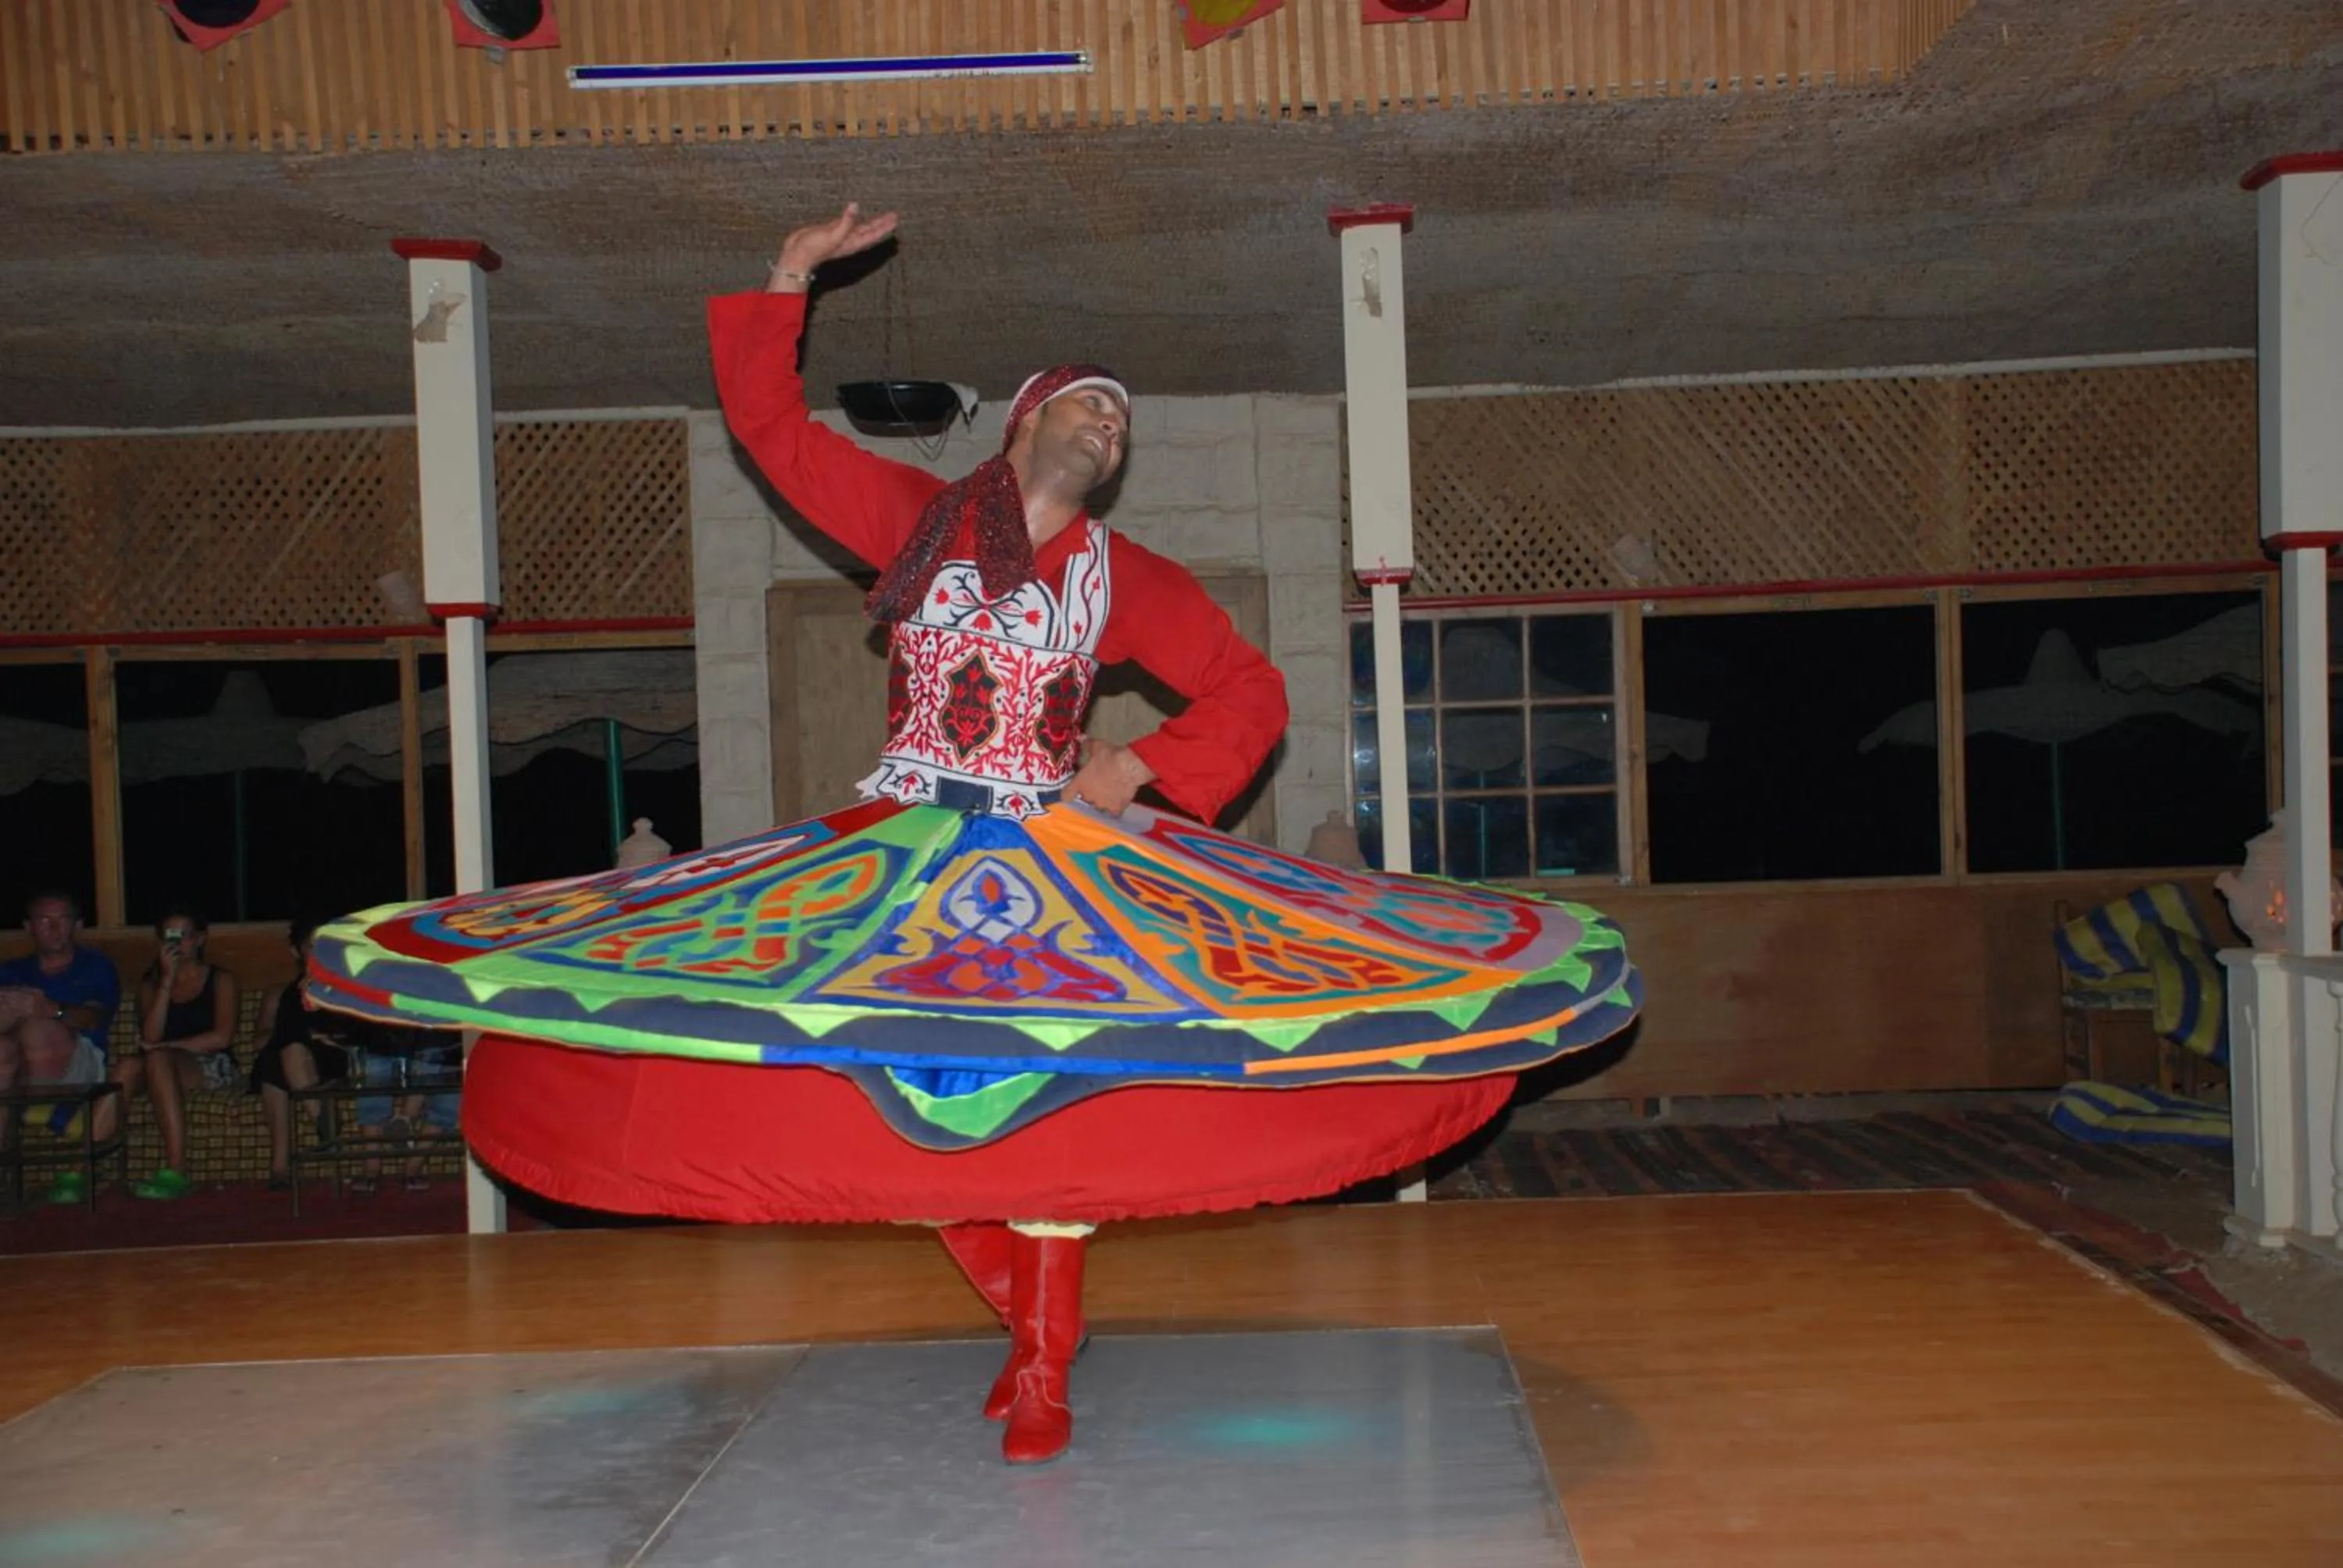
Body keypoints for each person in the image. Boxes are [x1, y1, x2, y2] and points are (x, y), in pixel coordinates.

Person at [305, 205, 1641, 1466]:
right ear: (1027, 421)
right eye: (1089, 405)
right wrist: (787, 279)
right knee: (913, 1103)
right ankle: (1026, 1311)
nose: (1107, 428)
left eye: (1121, 423)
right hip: (896, 854)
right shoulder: (912, 520)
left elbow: (1254, 691)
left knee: (1040, 1103)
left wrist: (1138, 767)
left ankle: (1046, 1358)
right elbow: (770, 430)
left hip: (1050, 863)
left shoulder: (1129, 581)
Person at [0, 889, 123, 1204]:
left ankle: (47, 1109)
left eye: (62, 920)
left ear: (76, 925)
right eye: (45, 921)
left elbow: (93, 1017)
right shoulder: (12, 970)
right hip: (16, 1066)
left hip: (79, 1061)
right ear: (29, 927)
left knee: (37, 1028)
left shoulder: (95, 967)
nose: (54, 929)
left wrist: (51, 1009)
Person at [123, 905, 238, 1200]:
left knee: (158, 1058)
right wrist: (166, 982)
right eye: (171, 937)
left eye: (185, 936)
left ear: (200, 939)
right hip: (160, 1063)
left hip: (210, 1063)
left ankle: (178, 1171)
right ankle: (80, 1171)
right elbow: (149, 1037)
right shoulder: (151, 984)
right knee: (124, 1068)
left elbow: (222, 1038)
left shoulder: (221, 979)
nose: (178, 944)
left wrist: (166, 1048)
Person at [248, 917, 351, 1190]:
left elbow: (355, 1039)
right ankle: (325, 1123)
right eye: (311, 947)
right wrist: (301, 1033)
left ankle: (280, 1166)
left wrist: (322, 1037)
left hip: (330, 1062)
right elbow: (258, 1041)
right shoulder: (280, 994)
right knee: (282, 1054)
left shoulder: (344, 991)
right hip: (287, 1058)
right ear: (295, 951)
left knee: (279, 1060)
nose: (319, 954)